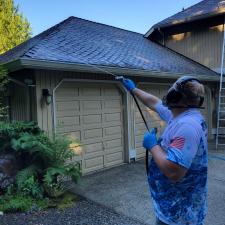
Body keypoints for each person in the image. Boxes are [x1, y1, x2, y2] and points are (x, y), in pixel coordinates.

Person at [122, 76, 208, 225]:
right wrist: (133, 89)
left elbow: (174, 173)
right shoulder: (181, 115)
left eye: (172, 88)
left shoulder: (187, 126)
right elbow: (154, 102)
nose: (169, 91)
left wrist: (153, 146)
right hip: (173, 206)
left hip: (179, 214)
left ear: (176, 97)